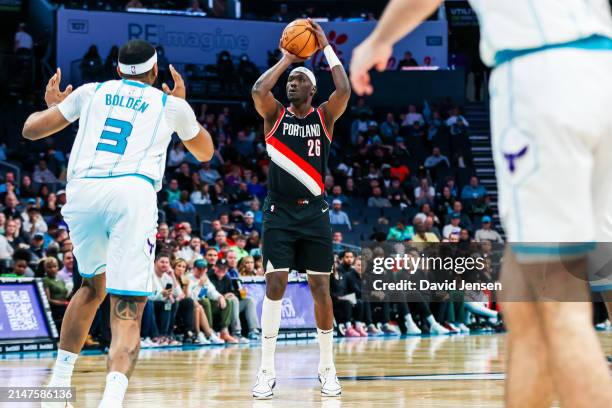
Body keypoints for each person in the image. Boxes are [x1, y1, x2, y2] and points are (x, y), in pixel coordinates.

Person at [350, 1, 612, 407]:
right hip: (602, 68)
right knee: (523, 299)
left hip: (543, 73)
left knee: (557, 303)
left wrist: (378, 40)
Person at [23, 39, 215, 408]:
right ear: (155, 71)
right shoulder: (169, 104)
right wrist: (183, 106)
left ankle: (58, 386)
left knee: (92, 287)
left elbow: (31, 130)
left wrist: (56, 107)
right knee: (127, 306)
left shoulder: (91, 92)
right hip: (131, 192)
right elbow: (204, 152)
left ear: (117, 70)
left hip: (83, 193)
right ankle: (110, 401)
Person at [250, 19, 350, 399]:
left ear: (312, 89)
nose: (291, 82)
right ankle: (266, 371)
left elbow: (343, 88)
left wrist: (323, 47)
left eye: (299, 79)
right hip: (279, 213)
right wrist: (287, 58)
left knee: (320, 287)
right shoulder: (275, 115)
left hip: (315, 214)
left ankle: (327, 368)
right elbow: (260, 88)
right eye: (290, 80)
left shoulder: (325, 116)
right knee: (274, 284)